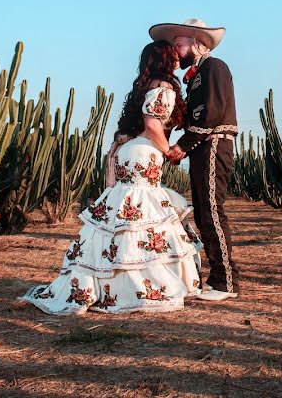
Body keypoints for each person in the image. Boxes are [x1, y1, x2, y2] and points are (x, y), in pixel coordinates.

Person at [19, 40, 202, 314]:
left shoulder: (145, 86)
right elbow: (152, 124)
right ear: (164, 59)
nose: (177, 58)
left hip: (129, 151)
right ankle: (134, 283)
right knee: (140, 212)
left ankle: (109, 278)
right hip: (145, 151)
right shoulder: (163, 88)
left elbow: (137, 123)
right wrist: (169, 151)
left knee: (125, 211)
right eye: (172, 54)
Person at [150, 19, 240, 301]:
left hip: (214, 144)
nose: (176, 49)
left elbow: (211, 113)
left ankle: (226, 282)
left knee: (212, 209)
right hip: (204, 145)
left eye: (179, 43)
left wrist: (181, 146)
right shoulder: (198, 74)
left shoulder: (215, 67)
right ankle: (217, 279)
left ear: (197, 43)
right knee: (203, 211)